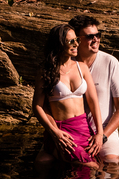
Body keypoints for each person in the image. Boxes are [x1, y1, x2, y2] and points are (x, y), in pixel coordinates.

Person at [32, 24, 103, 168]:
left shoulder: (81, 67)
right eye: (71, 41)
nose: (76, 44)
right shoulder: (45, 70)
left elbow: (93, 102)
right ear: (59, 44)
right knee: (91, 166)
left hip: (84, 129)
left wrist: (100, 134)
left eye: (76, 40)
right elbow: (37, 106)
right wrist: (55, 133)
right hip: (63, 131)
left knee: (95, 167)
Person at [68, 15, 119, 166]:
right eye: (90, 36)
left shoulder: (111, 62)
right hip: (73, 130)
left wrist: (102, 137)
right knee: (45, 162)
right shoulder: (66, 63)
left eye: (98, 35)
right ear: (77, 40)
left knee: (111, 162)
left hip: (104, 130)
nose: (96, 39)